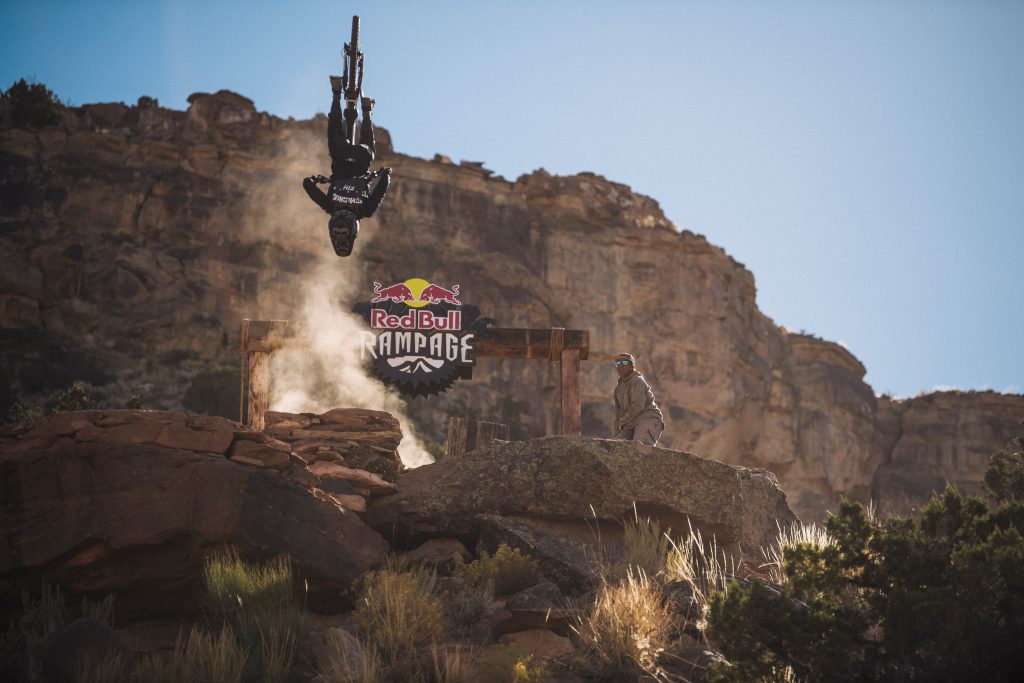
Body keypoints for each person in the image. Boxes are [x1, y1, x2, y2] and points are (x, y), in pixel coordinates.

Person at [303, 75, 392, 257]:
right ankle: (336, 93)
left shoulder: (366, 211)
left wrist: (385, 174)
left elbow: (382, 186)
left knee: (369, 147)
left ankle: (367, 110)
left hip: (361, 159)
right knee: (334, 128)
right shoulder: (329, 206)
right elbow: (306, 184)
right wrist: (318, 179)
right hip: (340, 156)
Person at [613, 352, 665, 446]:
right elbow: (617, 414)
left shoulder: (637, 381)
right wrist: (616, 433)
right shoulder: (618, 388)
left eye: (624, 363)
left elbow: (638, 406)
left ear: (632, 366)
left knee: (640, 447)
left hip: (648, 418)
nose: (620, 366)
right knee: (616, 447)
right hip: (630, 422)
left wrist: (623, 421)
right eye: (618, 363)